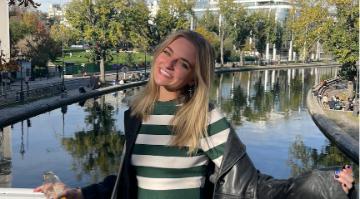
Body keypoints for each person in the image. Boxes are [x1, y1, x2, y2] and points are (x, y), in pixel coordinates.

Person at [34, 30, 356, 199]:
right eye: (168, 52)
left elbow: (251, 187)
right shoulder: (136, 112)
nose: (169, 64)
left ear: (193, 77)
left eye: (184, 64)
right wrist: (82, 194)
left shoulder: (202, 117)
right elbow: (130, 182)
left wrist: (324, 184)